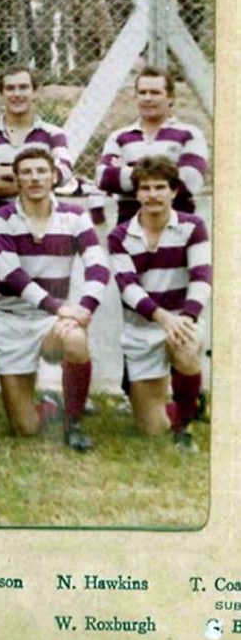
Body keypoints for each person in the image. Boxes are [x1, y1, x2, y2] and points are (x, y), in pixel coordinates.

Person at [0, 66, 75, 416]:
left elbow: (62, 175)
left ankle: (53, 392)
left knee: (48, 315)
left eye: (23, 87)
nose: (17, 94)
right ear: (1, 92)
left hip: (44, 231)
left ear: (34, 91)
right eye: (10, 87)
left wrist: (4, 173)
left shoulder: (53, 134)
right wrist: (32, 177)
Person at [0, 147, 110, 452]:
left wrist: (83, 309)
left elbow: (98, 265)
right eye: (26, 173)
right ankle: (51, 405)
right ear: (16, 181)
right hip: (11, 321)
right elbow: (13, 277)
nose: (34, 178)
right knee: (25, 428)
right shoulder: (1, 218)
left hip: (52, 322)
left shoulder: (75, 216)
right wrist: (61, 307)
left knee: (76, 339)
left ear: (54, 176)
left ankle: (74, 423)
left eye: (41, 171)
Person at [108, 156, 210, 453]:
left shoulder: (192, 227)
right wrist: (163, 318)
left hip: (181, 320)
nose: (153, 194)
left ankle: (185, 427)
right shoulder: (120, 235)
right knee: (152, 430)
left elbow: (202, 276)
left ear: (174, 191)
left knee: (187, 346)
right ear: (137, 193)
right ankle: (186, 399)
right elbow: (127, 286)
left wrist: (187, 318)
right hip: (143, 327)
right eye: (146, 188)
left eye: (160, 187)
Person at [96, 65, 208, 225]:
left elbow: (189, 182)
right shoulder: (119, 136)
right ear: (135, 96)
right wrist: (168, 174)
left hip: (178, 229)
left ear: (170, 97)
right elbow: (104, 178)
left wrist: (128, 172)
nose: (147, 98)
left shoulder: (189, 134)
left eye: (155, 93)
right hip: (128, 228)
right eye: (142, 92)